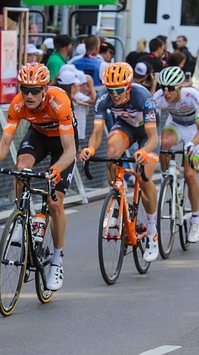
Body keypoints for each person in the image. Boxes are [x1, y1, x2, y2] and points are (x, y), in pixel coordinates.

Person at [0, 63, 78, 291]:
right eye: (25, 88)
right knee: (21, 167)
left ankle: (57, 258)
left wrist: (55, 170)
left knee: (54, 202)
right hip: (38, 136)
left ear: (45, 89)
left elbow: (70, 151)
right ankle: (22, 215)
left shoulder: (60, 101)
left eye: (35, 90)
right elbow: (5, 141)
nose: (28, 95)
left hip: (62, 145)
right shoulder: (18, 104)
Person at [80, 62, 160, 262]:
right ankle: (117, 198)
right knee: (112, 152)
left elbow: (153, 138)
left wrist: (143, 151)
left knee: (145, 179)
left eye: (119, 90)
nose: (115, 94)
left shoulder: (143, 97)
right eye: (110, 89)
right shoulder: (103, 98)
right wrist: (90, 148)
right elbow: (97, 131)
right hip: (125, 126)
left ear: (129, 86)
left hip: (146, 133)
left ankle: (152, 231)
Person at [153, 67, 199, 243]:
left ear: (179, 87)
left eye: (170, 88)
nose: (166, 92)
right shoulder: (159, 98)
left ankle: (195, 220)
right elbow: (150, 126)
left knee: (190, 175)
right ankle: (165, 177)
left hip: (193, 131)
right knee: (165, 142)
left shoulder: (192, 96)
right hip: (175, 125)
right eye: (163, 87)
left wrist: (193, 143)